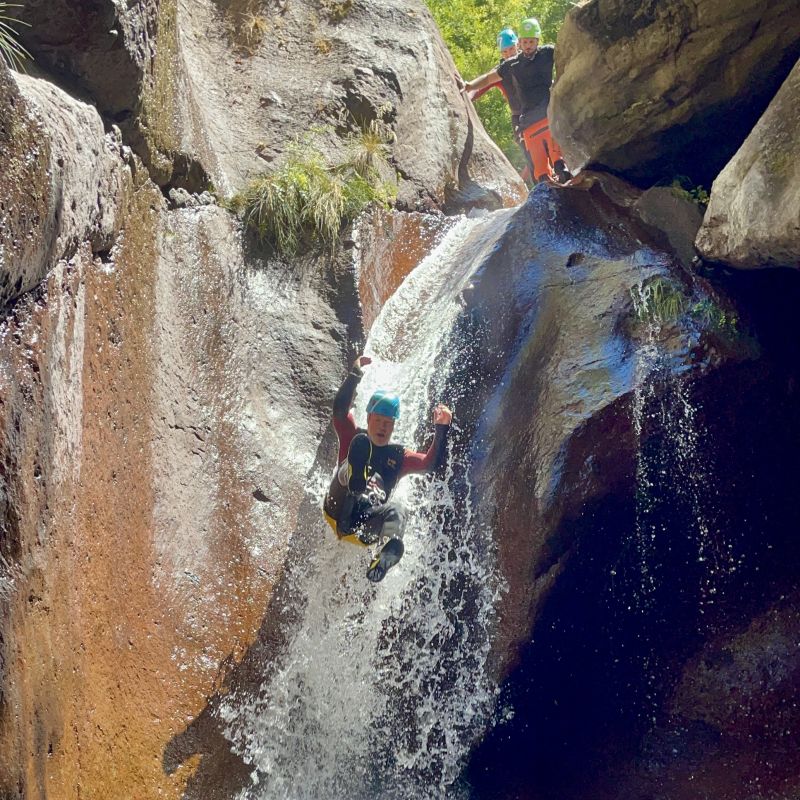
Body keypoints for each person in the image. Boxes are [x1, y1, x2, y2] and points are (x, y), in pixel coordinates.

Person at [323, 355, 452, 582]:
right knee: (356, 452)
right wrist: (354, 374)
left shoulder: (399, 456)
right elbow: (339, 412)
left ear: (393, 425)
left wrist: (441, 428)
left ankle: (383, 554)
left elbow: (429, 464)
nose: (383, 427)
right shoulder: (354, 435)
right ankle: (355, 476)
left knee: (398, 510)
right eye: (379, 420)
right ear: (369, 417)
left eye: (388, 423)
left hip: (363, 527)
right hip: (337, 505)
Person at [463, 18, 573, 185]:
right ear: (520, 43)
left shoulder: (547, 53)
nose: (527, 45)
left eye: (530, 41)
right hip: (524, 120)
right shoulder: (509, 66)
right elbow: (486, 81)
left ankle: (559, 176)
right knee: (539, 169)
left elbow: (567, 54)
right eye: (524, 42)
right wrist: (468, 88)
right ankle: (542, 182)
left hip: (547, 115)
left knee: (559, 164)